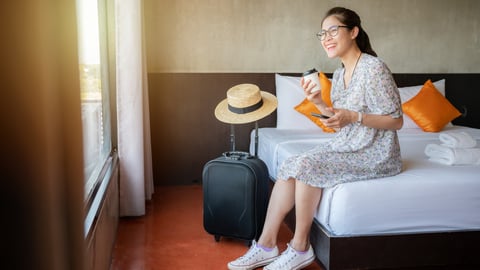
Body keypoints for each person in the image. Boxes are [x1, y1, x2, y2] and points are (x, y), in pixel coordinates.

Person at [227, 6, 403, 270]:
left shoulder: (374, 68)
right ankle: (266, 244)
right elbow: (339, 122)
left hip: (377, 152)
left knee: (308, 166)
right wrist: (319, 102)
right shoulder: (341, 73)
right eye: (322, 33)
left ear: (354, 32)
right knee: (291, 165)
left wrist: (354, 117)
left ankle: (300, 247)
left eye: (334, 30)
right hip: (349, 145)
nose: (326, 38)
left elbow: (396, 120)